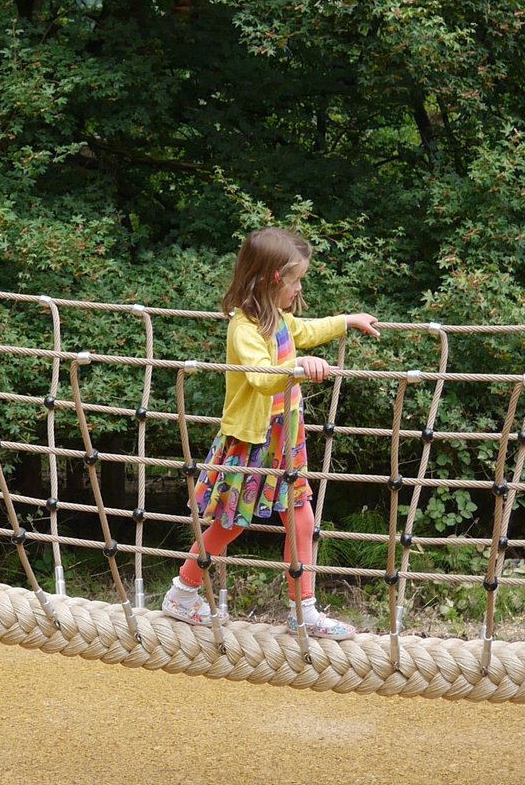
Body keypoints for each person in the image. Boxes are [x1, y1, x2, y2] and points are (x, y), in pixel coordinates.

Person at [162, 227, 379, 638]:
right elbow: (262, 379)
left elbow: (306, 331)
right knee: (231, 523)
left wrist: (347, 321)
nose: (298, 290)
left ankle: (305, 611)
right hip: (252, 441)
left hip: (285, 439)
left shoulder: (278, 319)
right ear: (270, 280)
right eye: (295, 281)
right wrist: (300, 369)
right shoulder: (244, 327)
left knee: (302, 519)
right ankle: (182, 593)